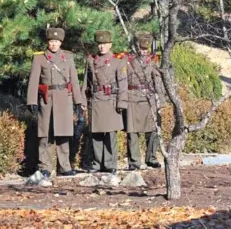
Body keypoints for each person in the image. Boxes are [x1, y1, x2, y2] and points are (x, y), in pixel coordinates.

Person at [26, 27, 83, 178]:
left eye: (56, 41)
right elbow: (33, 80)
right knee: (45, 134)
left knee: (64, 134)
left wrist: (78, 102)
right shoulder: (40, 58)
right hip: (47, 100)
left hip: (64, 98)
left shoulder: (68, 57)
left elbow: (74, 81)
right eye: (51, 41)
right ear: (48, 42)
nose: (53, 44)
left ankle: (64, 166)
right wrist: (31, 100)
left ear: (61, 42)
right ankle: (45, 166)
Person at [82, 30, 128, 174]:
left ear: (110, 44)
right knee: (95, 134)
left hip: (110, 101)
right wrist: (83, 100)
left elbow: (123, 84)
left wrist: (121, 103)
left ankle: (110, 164)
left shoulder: (118, 62)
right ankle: (97, 163)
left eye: (104, 44)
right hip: (95, 101)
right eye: (99, 44)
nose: (101, 47)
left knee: (110, 135)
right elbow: (86, 82)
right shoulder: (91, 61)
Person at [123, 32, 166, 170]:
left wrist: (162, 100)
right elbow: (122, 80)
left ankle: (151, 158)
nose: (144, 51)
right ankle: (134, 161)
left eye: (146, 49)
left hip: (149, 97)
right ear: (136, 46)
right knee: (132, 132)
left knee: (153, 130)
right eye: (141, 48)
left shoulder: (153, 61)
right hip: (132, 97)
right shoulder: (127, 60)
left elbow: (157, 81)